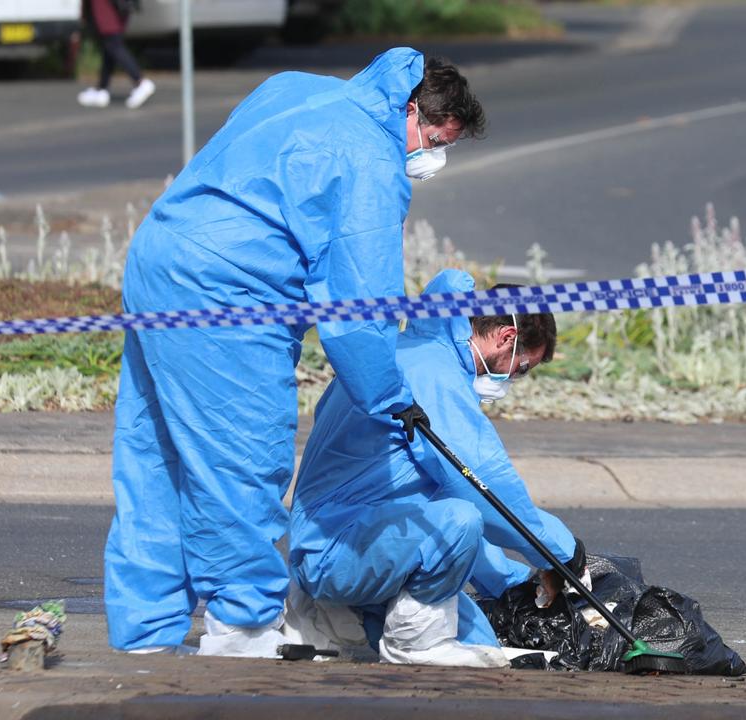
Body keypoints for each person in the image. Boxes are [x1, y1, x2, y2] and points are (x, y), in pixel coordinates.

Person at [103, 48, 485, 658]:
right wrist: (389, 396)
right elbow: (359, 307)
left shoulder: (297, 87)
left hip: (160, 255)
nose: (431, 157)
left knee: (158, 451)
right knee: (241, 453)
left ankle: (145, 631)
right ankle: (243, 624)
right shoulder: (371, 158)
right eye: (436, 140)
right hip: (233, 291)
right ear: (412, 111)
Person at [287, 269, 588, 667]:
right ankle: (406, 644)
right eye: (522, 368)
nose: (515, 379)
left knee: (485, 647)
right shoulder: (435, 374)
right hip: (338, 552)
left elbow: (438, 507)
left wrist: (509, 583)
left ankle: (340, 617)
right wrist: (561, 553)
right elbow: (481, 489)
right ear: (506, 338)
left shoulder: (412, 349)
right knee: (462, 518)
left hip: (356, 537)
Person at [77, 0, 152, 109]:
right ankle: (102, 89)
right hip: (119, 8)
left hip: (107, 8)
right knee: (109, 48)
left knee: (113, 45)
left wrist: (84, 14)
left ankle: (140, 81)